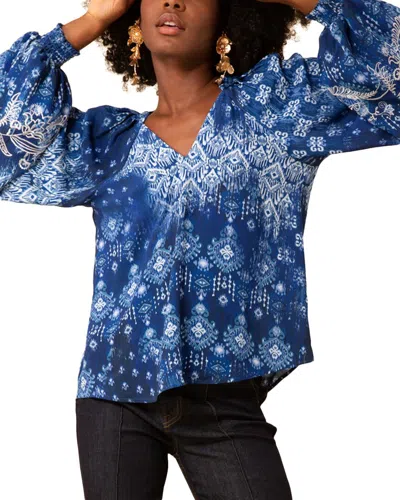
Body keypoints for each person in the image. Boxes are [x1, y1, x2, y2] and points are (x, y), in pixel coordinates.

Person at [1, 0, 399, 498]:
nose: (172, 1)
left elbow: (389, 69)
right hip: (113, 394)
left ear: (226, 20)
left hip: (223, 400)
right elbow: (8, 136)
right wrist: (94, 19)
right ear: (134, 24)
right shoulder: (109, 146)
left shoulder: (275, 111)